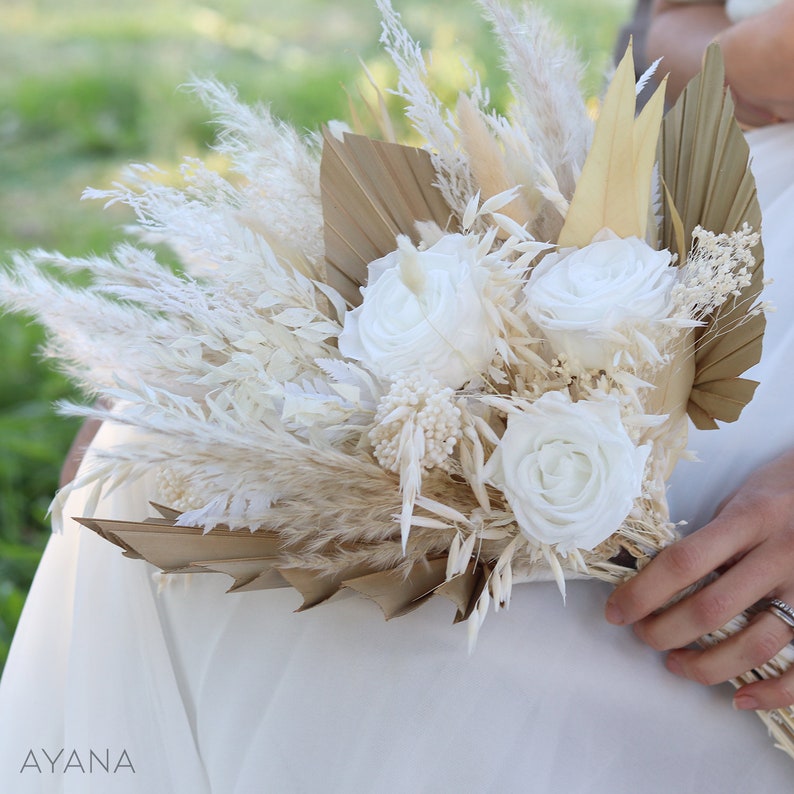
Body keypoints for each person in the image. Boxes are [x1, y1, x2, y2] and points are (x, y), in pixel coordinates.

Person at [1, 3, 794, 792]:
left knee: (464, 640)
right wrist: (747, 60)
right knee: (158, 457)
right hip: (706, 203)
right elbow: (669, 27)